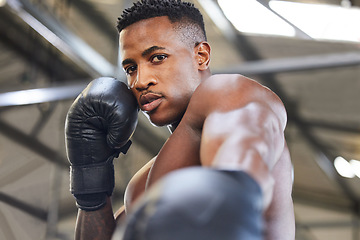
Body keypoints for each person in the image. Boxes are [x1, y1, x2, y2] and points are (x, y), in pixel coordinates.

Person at [65, 0, 295, 239]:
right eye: (131, 68)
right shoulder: (141, 185)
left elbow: (245, 139)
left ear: (201, 56)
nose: (140, 81)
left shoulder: (229, 92)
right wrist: (91, 181)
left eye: (157, 57)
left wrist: (232, 189)